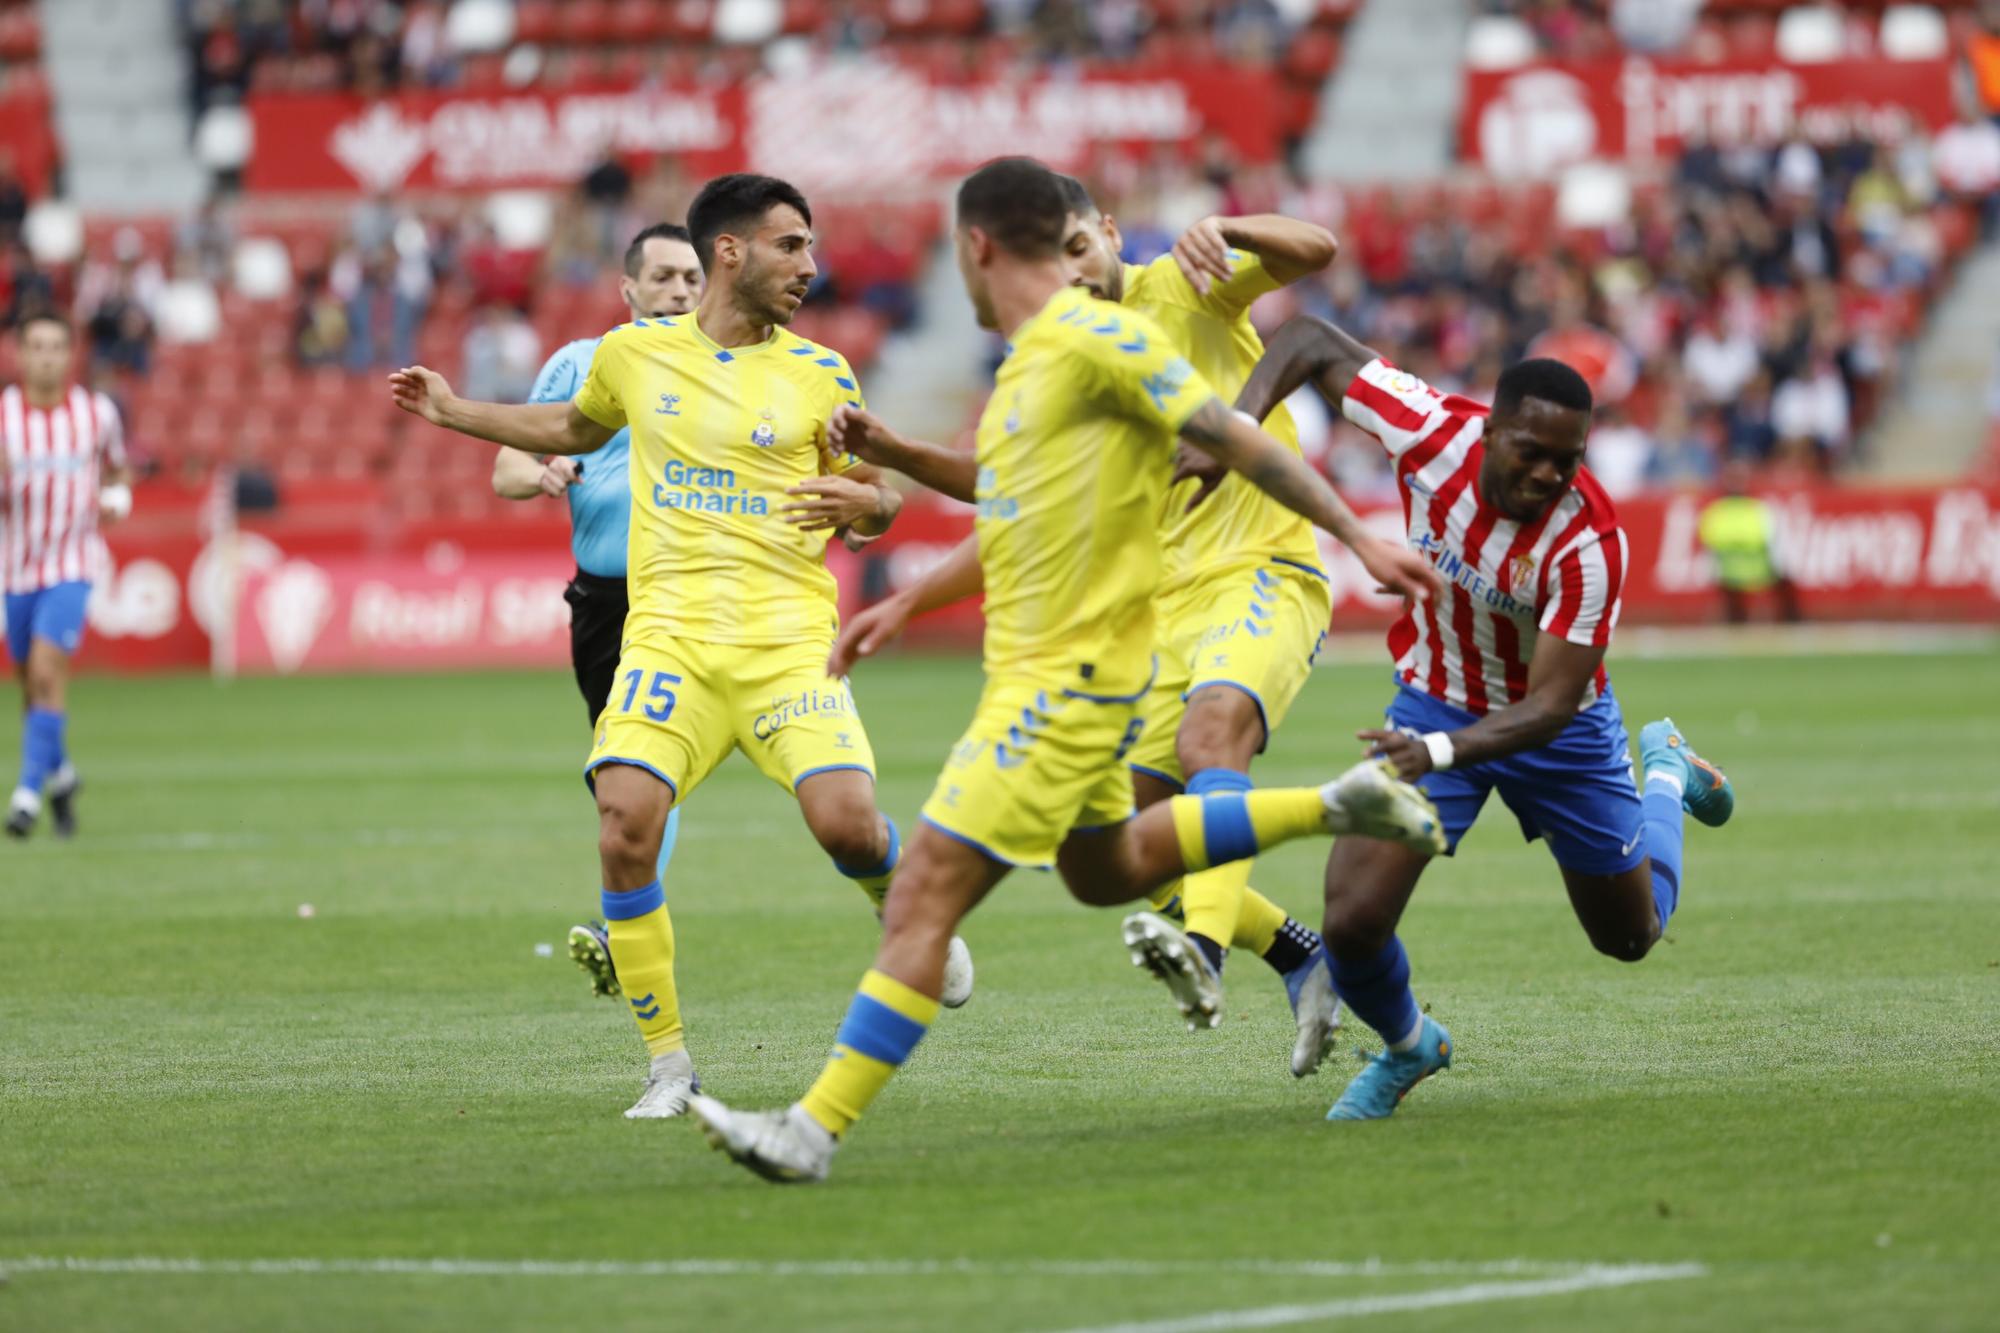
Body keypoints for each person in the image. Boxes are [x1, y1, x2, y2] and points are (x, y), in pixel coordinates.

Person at [687, 157, 1447, 1185]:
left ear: (976, 246)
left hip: (1061, 688)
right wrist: (911, 598)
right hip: (1067, 678)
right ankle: (1331, 803)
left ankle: (809, 1130)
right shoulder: (1034, 368)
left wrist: (1356, 536)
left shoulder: (1099, 339)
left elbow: (1233, 436)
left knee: (919, 899)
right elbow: (1009, 518)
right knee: (1109, 870)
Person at [390, 175, 974, 1121]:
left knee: (848, 827)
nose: (810, 267)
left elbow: (881, 494)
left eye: (812, 248)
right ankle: (669, 1068)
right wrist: (456, 411)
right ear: (731, 252)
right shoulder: (633, 355)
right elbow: (570, 428)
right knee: (624, 822)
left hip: (787, 643)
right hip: (670, 642)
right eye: (792, 246)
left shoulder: (822, 372)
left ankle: (896, 899)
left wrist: (867, 506)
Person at [832, 176, 1356, 1076]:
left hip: (1260, 570)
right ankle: (1301, 953)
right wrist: (899, 456)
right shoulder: (1048, 354)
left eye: (1084, 247)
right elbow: (1009, 492)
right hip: (1158, 604)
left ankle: (1207, 948)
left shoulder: (1182, 280)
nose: (1073, 268)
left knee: (1212, 737)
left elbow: (1316, 250)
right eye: (1057, 255)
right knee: (1129, 852)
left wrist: (1222, 222)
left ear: (1112, 234)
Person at [1230, 315, 1738, 1121]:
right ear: (1489, 426)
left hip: (1558, 731)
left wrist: (1433, 751)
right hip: (1437, 694)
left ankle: (1666, 775)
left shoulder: (1589, 546)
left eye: (1566, 461)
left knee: (1630, 936)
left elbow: (1551, 704)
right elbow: (1303, 341)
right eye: (1529, 451)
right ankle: (1410, 1045)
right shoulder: (1430, 429)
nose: (1546, 475)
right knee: (1353, 921)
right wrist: (1237, 423)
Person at [487, 222, 703, 999]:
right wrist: (543, 474)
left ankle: (623, 928)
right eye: (667, 277)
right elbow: (506, 468)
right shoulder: (581, 364)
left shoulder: (722, 369)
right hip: (602, 603)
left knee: (648, 768)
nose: (681, 290)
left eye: (693, 278)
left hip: (682, 596)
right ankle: (629, 916)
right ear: (630, 290)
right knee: (622, 782)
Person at [3, 313, 132, 839]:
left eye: (57, 346)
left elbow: (118, 465)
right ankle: (63, 776)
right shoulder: (5, 417)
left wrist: (118, 495)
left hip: (72, 563)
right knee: (31, 687)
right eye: (37, 346)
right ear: (20, 353)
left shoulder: (95, 413)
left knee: (46, 669)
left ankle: (26, 796)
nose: (48, 356)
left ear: (71, 353)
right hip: (15, 567)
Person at [1698, 460, 1800, 624]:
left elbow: (1708, 550)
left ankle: (1738, 621)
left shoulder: (1716, 511)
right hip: (1753, 573)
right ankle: (1784, 621)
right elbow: (1775, 546)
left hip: (1732, 574)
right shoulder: (1757, 510)